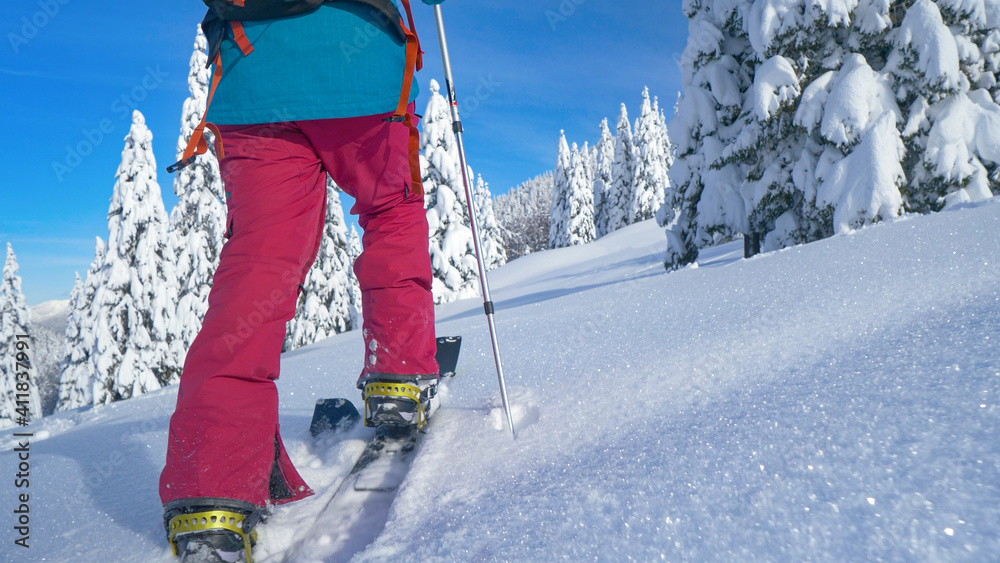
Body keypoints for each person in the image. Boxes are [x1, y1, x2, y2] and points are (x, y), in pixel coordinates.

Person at [159, 0, 445, 561]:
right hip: (364, 70)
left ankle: (209, 482)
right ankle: (399, 377)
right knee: (391, 212)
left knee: (256, 266)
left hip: (255, 76)